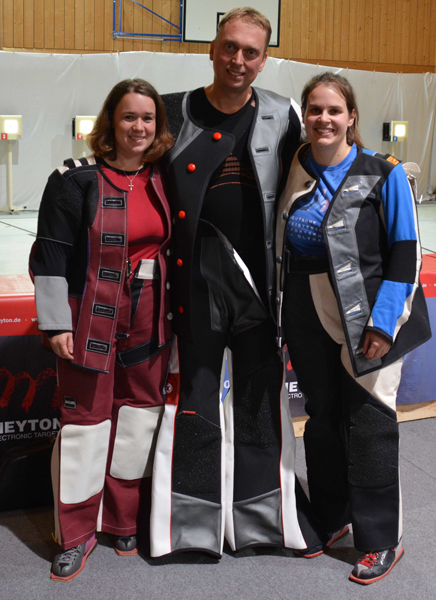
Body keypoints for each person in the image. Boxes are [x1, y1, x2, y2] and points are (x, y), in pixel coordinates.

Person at [150, 7, 326, 558]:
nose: (238, 60)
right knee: (196, 404)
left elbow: (318, 179)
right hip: (194, 288)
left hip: (260, 293)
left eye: (251, 52)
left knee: (258, 406)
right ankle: (188, 529)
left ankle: (265, 523)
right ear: (211, 49)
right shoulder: (171, 111)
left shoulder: (282, 113)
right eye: (230, 47)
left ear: (264, 60)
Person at [275, 72, 431, 584]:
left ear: (351, 117)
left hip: (370, 309)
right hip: (305, 303)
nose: (323, 119)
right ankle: (332, 514)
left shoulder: (384, 173)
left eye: (334, 110)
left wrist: (384, 325)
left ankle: (381, 538)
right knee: (321, 417)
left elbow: (405, 254)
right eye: (314, 109)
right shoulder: (295, 163)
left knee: (369, 423)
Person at [30, 79, 173, 581]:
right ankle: (75, 534)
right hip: (88, 318)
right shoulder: (74, 179)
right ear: (111, 120)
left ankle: (121, 520)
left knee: (138, 420)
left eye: (148, 118)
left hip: (150, 317)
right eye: (129, 116)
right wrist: (54, 323)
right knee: (85, 426)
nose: (139, 127)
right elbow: (50, 254)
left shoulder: (164, 178)